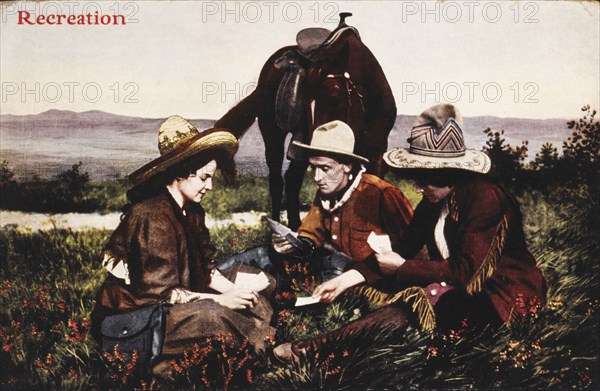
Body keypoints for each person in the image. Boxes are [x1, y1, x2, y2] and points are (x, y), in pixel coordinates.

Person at [273, 103, 547, 362]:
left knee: (426, 302)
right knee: (419, 296)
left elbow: (465, 272)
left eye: (423, 177)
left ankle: (317, 348)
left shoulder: (484, 198)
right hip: (459, 286)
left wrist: (402, 267)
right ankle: (325, 346)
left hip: (503, 296)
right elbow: (402, 247)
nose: (417, 187)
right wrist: (347, 279)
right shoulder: (433, 203)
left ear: (448, 172)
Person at [91, 115, 275, 378]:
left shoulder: (193, 212)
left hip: (179, 298)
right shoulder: (153, 215)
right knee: (214, 315)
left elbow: (208, 270)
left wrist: (237, 293)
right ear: (180, 174)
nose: (209, 186)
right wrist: (223, 301)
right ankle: (267, 348)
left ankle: (245, 342)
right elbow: (165, 295)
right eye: (203, 178)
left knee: (257, 282)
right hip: (142, 317)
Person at [272, 119, 413, 302]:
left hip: (378, 284)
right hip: (339, 276)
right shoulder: (327, 190)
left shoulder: (381, 193)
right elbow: (311, 231)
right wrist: (293, 244)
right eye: (313, 168)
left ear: (347, 166)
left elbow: (414, 246)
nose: (317, 177)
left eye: (324, 168)